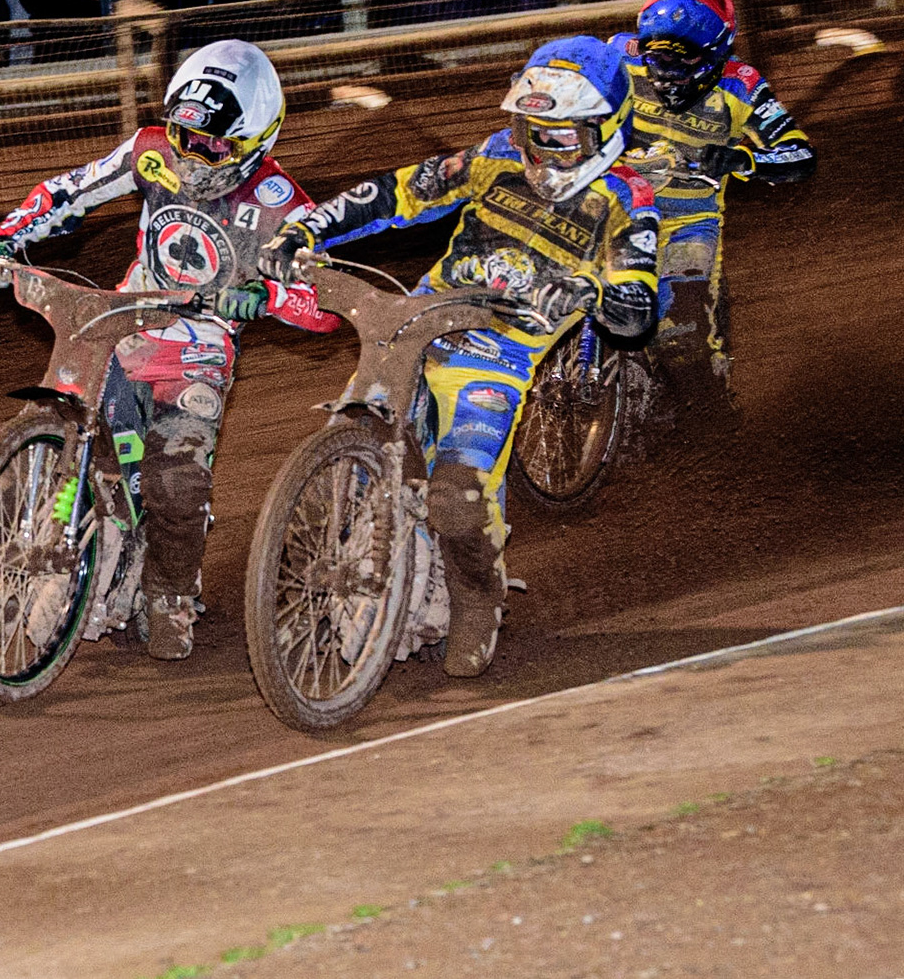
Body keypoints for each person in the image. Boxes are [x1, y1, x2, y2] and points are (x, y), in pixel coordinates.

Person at [259, 37, 660, 678]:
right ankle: (335, 570)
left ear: (604, 131)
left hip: (497, 353)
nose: (540, 151)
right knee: (351, 434)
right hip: (418, 322)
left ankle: (478, 597)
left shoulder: (627, 197)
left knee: (455, 498)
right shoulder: (493, 157)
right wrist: (307, 228)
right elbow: (395, 193)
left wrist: (589, 289)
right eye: (531, 131)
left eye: (560, 139)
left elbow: (637, 304)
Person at [0, 41, 340, 660]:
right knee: (91, 440)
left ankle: (170, 593)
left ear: (255, 139)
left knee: (174, 486)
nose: (192, 154)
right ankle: (54, 547)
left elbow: (324, 306)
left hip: (201, 343)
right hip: (125, 322)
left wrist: (269, 295)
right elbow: (70, 191)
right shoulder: (150, 151)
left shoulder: (280, 207)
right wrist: (4, 238)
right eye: (184, 136)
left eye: (212, 145)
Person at [609, 0, 812, 391]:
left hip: (686, 223)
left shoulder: (743, 85)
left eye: (685, 56)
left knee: (685, 341)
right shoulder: (617, 56)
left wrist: (742, 159)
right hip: (611, 207)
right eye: (658, 54)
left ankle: (710, 417)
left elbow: (801, 154)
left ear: (718, 52)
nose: (667, 68)